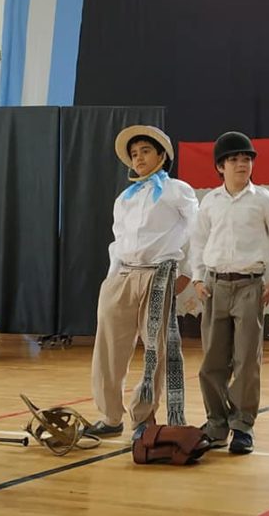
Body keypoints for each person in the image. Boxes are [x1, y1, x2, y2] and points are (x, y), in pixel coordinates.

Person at [87, 125, 198, 440]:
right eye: (134, 154)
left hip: (158, 275)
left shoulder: (177, 190)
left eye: (145, 151)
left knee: (155, 351)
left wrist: (187, 271)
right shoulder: (124, 198)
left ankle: (144, 418)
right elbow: (118, 240)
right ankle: (110, 417)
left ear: (162, 155)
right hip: (122, 274)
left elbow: (198, 229)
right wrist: (112, 279)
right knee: (108, 349)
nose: (138, 158)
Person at [190, 131, 269, 455]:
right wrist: (196, 278)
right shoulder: (210, 202)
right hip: (215, 286)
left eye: (247, 158)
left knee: (247, 360)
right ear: (220, 166)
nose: (242, 163)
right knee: (211, 363)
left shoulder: (263, 199)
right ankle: (216, 424)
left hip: (251, 285)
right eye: (234, 159)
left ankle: (243, 426)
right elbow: (198, 242)